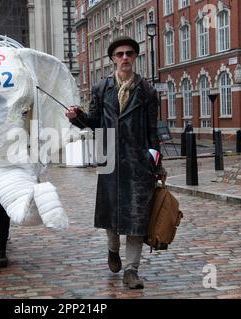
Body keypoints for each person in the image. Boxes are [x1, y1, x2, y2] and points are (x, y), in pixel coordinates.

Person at [65, 36, 167, 289]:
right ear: (113, 59)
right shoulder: (101, 88)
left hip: (138, 164)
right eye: (120, 54)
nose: (125, 58)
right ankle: (112, 250)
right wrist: (76, 117)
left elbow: (153, 132)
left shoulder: (147, 91)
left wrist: (156, 164)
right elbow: (95, 122)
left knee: (137, 218)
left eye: (129, 54)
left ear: (135, 57)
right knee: (111, 216)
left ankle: (132, 271)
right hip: (110, 162)